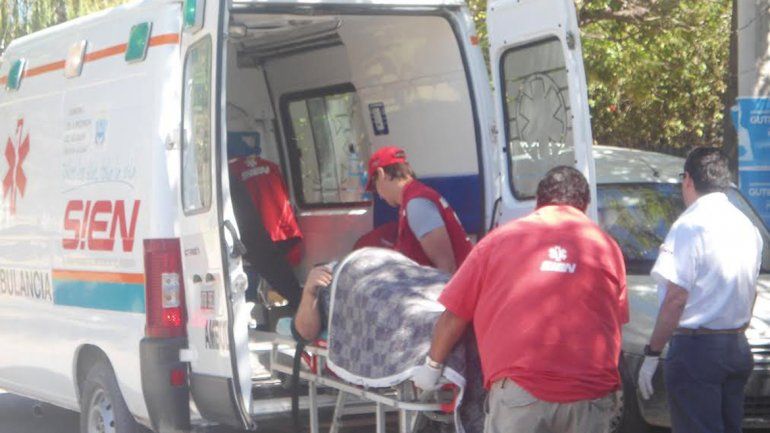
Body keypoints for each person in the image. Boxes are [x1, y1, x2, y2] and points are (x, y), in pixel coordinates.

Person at [412, 166, 628, 433]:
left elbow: (455, 314)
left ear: (538, 202)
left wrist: (432, 366)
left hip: (521, 394)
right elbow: (615, 323)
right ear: (584, 205)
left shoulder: (499, 241)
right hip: (590, 397)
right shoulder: (606, 247)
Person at [637, 147, 763, 433]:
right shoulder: (746, 226)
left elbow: (676, 298)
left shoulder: (689, 226)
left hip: (697, 349)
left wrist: (653, 352)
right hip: (736, 345)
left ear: (688, 180)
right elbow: (751, 291)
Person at [366, 146, 472, 274]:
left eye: (374, 186)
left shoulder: (416, 204)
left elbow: (447, 267)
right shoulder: (414, 198)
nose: (380, 196)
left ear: (382, 175)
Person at [229, 153, 303, 310]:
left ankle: (300, 311)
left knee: (274, 274)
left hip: (258, 233)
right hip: (282, 228)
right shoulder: (271, 166)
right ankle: (298, 307)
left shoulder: (230, 173)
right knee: (281, 276)